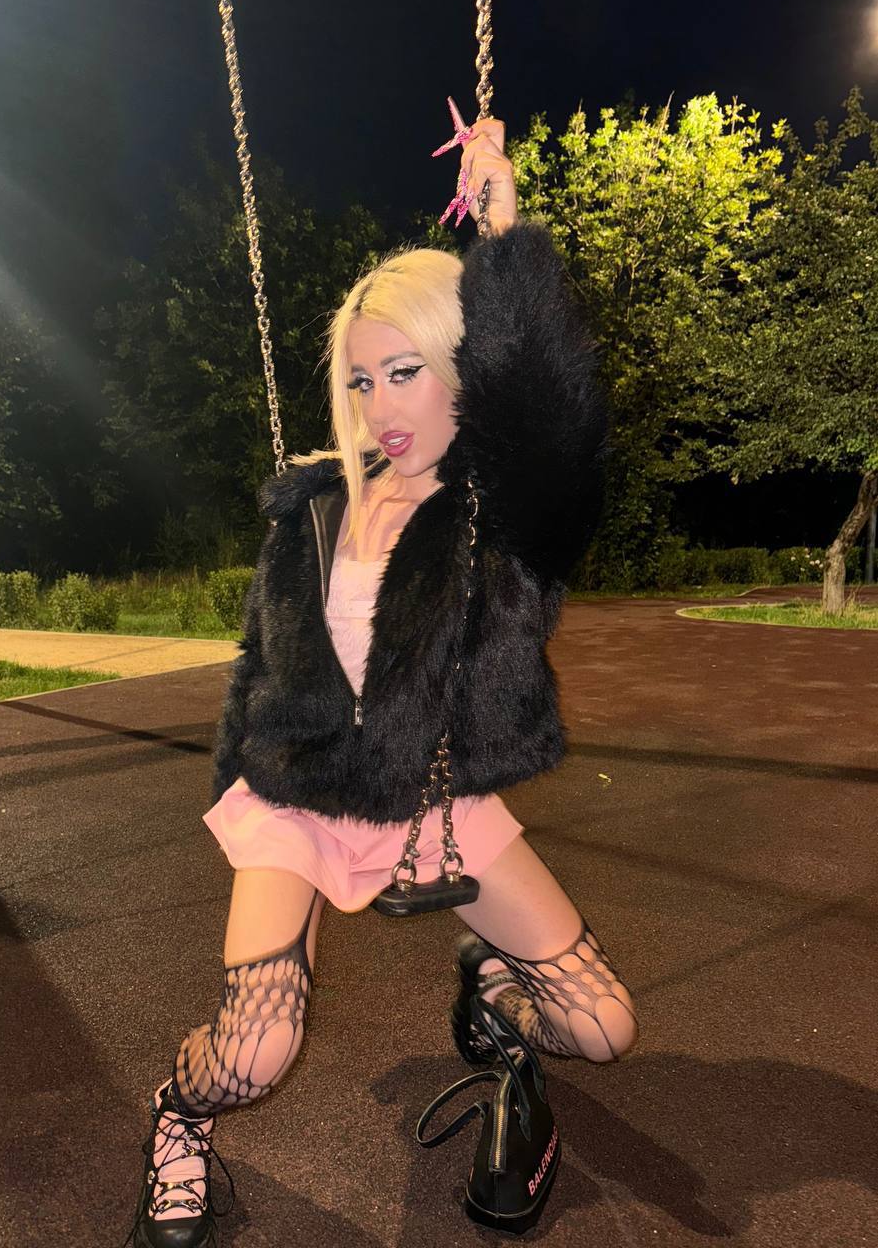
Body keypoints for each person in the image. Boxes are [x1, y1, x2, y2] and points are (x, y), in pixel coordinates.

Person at [124, 117, 639, 1248]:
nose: (380, 406)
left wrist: (504, 246)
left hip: (437, 799)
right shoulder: (313, 508)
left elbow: (555, 428)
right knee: (254, 1052)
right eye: (361, 381)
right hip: (301, 794)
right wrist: (238, 788)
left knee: (600, 1028)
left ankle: (493, 999)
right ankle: (178, 1117)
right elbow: (258, 666)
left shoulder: (502, 516)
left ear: (464, 367)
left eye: (405, 372)